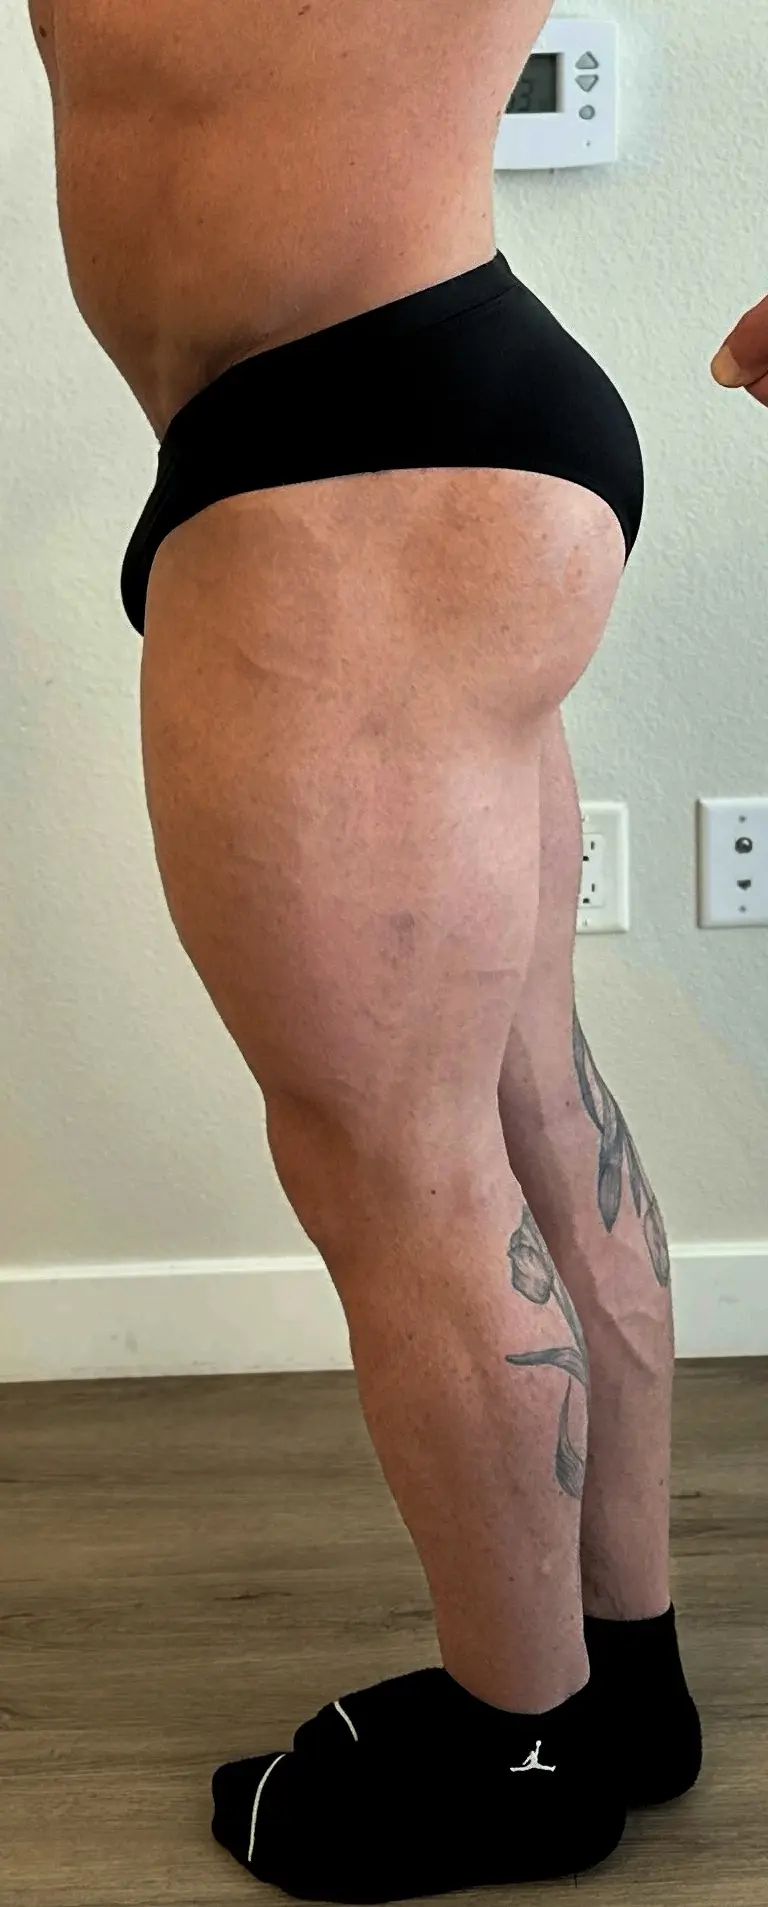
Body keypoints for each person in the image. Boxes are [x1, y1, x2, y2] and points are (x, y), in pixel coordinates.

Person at [25, 1, 759, 1896]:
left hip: (357, 457)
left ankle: (518, 1753)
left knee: (400, 1168)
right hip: (406, 435)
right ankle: (616, 1681)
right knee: (525, 1109)